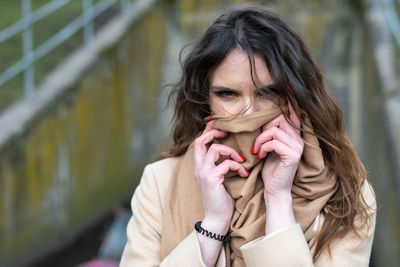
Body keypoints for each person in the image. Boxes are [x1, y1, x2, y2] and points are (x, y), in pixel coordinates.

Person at [120, 5, 376, 267]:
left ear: (295, 96)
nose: (249, 113)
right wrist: (213, 226)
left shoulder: (346, 195)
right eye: (228, 94)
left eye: (266, 93)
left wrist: (278, 201)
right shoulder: (160, 184)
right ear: (205, 98)